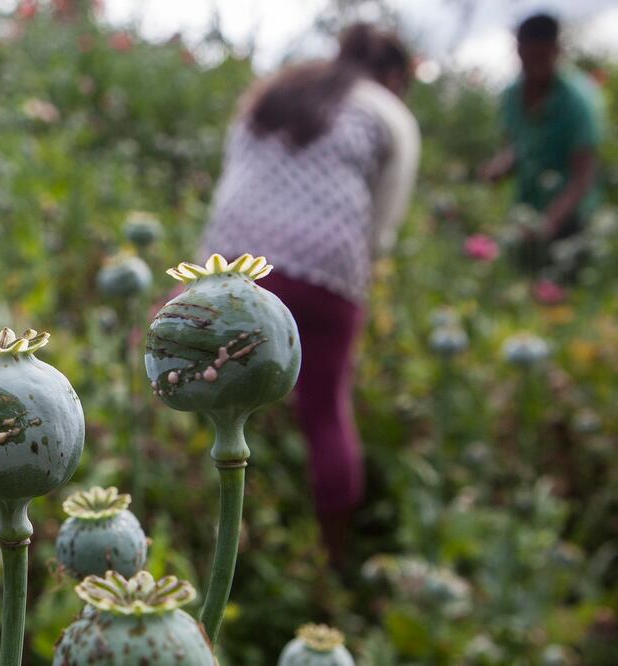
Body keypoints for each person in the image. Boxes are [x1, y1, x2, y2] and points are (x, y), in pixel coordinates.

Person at [199, 23, 420, 567]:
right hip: (325, 271)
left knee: (182, 364)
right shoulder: (390, 113)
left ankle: (190, 513)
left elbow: (234, 176)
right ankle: (334, 558)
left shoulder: (280, 85)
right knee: (324, 408)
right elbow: (381, 230)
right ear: (394, 77)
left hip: (228, 257)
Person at [480, 13, 604, 273]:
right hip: (525, 215)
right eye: (527, 58)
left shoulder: (578, 101)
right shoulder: (512, 95)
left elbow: (583, 175)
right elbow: (515, 147)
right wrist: (500, 167)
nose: (533, 66)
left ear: (556, 51)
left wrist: (547, 224)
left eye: (541, 57)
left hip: (569, 225)